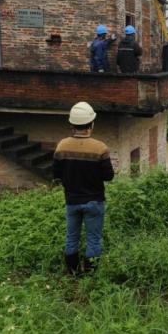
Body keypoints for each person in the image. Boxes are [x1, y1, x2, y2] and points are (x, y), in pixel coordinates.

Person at [53, 102, 115, 275]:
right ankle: (89, 276)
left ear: (72, 125)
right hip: (94, 201)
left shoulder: (61, 146)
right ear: (91, 124)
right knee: (93, 240)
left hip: (72, 201)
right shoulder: (100, 148)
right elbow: (108, 176)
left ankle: (72, 273)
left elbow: (56, 173)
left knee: (71, 238)